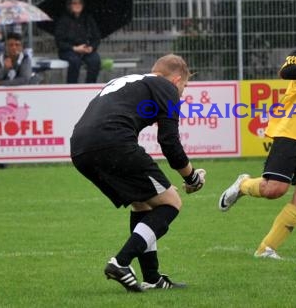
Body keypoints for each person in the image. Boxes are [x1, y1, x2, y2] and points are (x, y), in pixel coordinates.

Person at [217, 1, 296, 260]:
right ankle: (244, 185)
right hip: (292, 127)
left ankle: (266, 248)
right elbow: (286, 71)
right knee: (274, 189)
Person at [70, 54, 206, 292]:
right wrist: (191, 177)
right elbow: (170, 142)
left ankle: (152, 278)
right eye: (184, 86)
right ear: (176, 80)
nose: (182, 94)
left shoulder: (131, 80)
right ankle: (120, 263)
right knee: (171, 202)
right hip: (113, 142)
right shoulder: (167, 87)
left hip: (80, 148)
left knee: (142, 204)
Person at [54, 0, 101, 83]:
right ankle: (72, 86)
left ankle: (90, 86)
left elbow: (96, 37)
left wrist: (91, 47)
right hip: (68, 51)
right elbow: (59, 42)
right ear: (69, 5)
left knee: (95, 60)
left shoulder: (88, 18)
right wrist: (74, 48)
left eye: (80, 3)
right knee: (75, 61)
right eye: (74, 3)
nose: (77, 5)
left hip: (86, 49)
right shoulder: (63, 20)